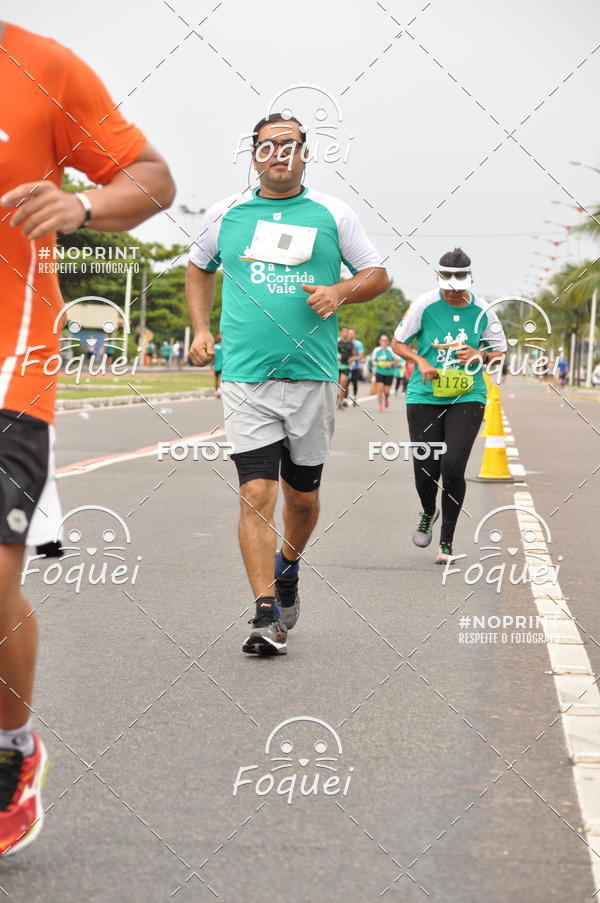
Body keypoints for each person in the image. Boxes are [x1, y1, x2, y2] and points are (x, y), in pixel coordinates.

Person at [0, 21, 175, 855]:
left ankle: (11, 746)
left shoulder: (42, 67)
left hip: (9, 371)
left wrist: (82, 205)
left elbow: (153, 178)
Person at [186, 112, 388, 656]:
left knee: (302, 498)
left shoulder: (333, 213)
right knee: (256, 492)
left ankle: (289, 566)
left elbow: (376, 274)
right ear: (253, 153)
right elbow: (199, 266)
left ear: (305, 152)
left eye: (289, 144)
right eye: (268, 145)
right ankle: (265, 612)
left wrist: (341, 291)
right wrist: (201, 329)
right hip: (246, 376)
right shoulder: (224, 213)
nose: (279, 153)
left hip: (312, 377)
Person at [392, 248, 507, 564]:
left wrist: (481, 355)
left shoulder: (484, 311)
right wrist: (419, 361)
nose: (452, 291)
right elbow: (398, 343)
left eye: (458, 285)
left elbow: (500, 354)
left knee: (453, 466)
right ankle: (429, 511)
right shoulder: (424, 305)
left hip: (467, 396)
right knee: (425, 470)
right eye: (447, 284)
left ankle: (446, 542)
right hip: (424, 396)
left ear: (469, 279)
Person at [371, 334, 396, 412]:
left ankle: (386, 398)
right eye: (382, 340)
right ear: (380, 341)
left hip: (389, 372)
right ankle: (380, 405)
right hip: (379, 372)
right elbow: (373, 361)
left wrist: (390, 363)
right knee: (380, 388)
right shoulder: (376, 350)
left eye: (385, 341)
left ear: (388, 342)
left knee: (387, 391)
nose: (384, 342)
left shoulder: (391, 350)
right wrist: (376, 363)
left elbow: (397, 360)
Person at [337, 326, 355, 408]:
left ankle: (340, 402)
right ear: (341, 333)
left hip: (345, 366)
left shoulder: (351, 343)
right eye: (343, 331)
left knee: (343, 384)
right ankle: (336, 396)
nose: (344, 333)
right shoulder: (337, 341)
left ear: (348, 333)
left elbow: (353, 355)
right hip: (336, 366)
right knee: (335, 384)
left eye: (346, 332)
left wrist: (352, 359)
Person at [347, 328, 364, 405]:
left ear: (354, 334)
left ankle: (354, 396)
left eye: (352, 333)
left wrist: (354, 358)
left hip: (355, 366)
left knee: (354, 382)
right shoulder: (345, 342)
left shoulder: (358, 344)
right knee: (345, 382)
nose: (350, 335)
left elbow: (361, 355)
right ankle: (345, 398)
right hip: (346, 366)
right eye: (349, 333)